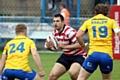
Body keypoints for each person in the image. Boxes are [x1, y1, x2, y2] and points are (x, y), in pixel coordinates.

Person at [76, 4, 120, 80]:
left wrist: (83, 47)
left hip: (93, 54)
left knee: (81, 78)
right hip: (107, 55)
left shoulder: (88, 22)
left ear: (95, 12)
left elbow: (78, 35)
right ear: (106, 13)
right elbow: (119, 33)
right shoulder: (111, 22)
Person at [46, 14, 86, 80]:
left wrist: (64, 46)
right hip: (66, 56)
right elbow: (57, 47)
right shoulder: (54, 32)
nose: (55, 23)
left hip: (78, 55)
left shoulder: (70, 31)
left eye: (57, 21)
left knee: (73, 73)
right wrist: (49, 47)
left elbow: (80, 44)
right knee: (52, 76)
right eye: (54, 21)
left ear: (62, 22)